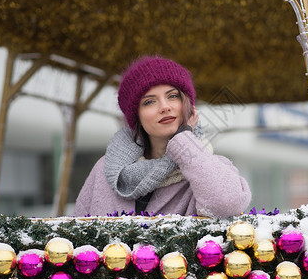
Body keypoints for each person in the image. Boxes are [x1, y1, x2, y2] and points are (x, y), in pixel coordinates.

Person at [73, 56, 251, 218]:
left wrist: (185, 142)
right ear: (137, 117)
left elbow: (227, 206)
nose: (164, 107)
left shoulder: (211, 168)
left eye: (173, 96)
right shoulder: (105, 172)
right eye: (149, 101)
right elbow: (74, 238)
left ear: (188, 106)